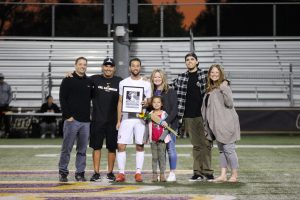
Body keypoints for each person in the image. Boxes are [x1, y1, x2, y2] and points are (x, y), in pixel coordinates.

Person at [170, 52, 214, 181]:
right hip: (188, 116)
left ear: (197, 61)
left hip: (204, 115)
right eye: (187, 60)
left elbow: (218, 80)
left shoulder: (205, 75)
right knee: (196, 145)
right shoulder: (181, 77)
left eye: (192, 59)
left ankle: (207, 171)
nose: (189, 61)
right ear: (185, 63)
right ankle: (197, 172)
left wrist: (226, 82)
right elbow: (169, 87)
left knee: (206, 143)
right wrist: (151, 82)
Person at [201, 64, 240, 183]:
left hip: (226, 123)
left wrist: (224, 87)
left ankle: (234, 175)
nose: (214, 74)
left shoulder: (224, 86)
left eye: (217, 73)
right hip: (216, 125)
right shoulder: (210, 88)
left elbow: (229, 103)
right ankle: (223, 174)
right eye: (212, 72)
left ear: (221, 74)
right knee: (222, 150)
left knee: (229, 149)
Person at [115, 58, 152, 182]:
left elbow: (150, 101)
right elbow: (120, 101)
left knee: (140, 145)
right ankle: (121, 173)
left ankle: (138, 172)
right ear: (129, 68)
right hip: (126, 117)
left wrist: (146, 103)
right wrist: (118, 120)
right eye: (133, 66)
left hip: (140, 118)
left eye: (137, 66)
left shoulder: (146, 83)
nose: (135, 68)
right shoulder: (123, 82)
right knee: (121, 145)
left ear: (140, 68)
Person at [58, 57, 92, 182]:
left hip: (85, 122)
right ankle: (63, 172)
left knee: (82, 150)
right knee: (67, 148)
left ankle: (80, 173)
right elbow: (62, 99)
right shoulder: (67, 80)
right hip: (71, 121)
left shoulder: (89, 81)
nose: (82, 66)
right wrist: (68, 116)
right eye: (80, 64)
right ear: (75, 65)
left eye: (84, 64)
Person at [89, 58, 122, 182]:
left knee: (112, 147)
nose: (108, 68)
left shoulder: (120, 81)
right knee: (96, 147)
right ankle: (96, 172)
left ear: (114, 68)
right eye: (106, 66)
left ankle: (110, 172)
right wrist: (70, 75)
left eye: (111, 66)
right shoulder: (94, 79)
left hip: (113, 121)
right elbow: (81, 82)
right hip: (97, 119)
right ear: (102, 67)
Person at [150, 69, 178, 182]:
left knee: (170, 149)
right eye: (155, 77)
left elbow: (174, 109)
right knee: (160, 152)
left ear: (163, 78)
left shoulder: (170, 91)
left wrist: (166, 121)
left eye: (159, 77)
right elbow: (150, 110)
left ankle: (172, 172)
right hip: (157, 128)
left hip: (169, 125)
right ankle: (162, 173)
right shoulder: (151, 93)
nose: (157, 79)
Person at [144, 96, 170, 182]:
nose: (156, 104)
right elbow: (147, 127)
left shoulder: (164, 114)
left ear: (161, 104)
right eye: (154, 102)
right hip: (153, 140)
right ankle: (154, 174)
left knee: (162, 157)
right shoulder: (150, 114)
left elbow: (167, 128)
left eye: (158, 102)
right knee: (154, 158)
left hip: (162, 141)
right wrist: (145, 137)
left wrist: (162, 138)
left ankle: (162, 174)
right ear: (151, 104)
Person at [0, 73, 12, 138]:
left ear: (3, 78)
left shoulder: (7, 86)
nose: (0, 80)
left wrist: (8, 102)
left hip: (6, 107)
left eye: (1, 78)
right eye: (0, 78)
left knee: (7, 120)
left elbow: (10, 95)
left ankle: (7, 133)